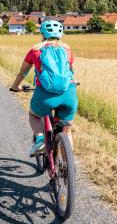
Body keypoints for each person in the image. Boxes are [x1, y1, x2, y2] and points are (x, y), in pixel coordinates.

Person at [10, 20, 77, 157]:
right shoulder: (67, 50)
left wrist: (15, 86)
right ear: (61, 34)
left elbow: (23, 73)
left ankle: (40, 140)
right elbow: (70, 72)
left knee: (34, 115)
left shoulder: (35, 50)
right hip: (68, 94)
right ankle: (69, 164)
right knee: (67, 130)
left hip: (45, 96)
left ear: (42, 34)